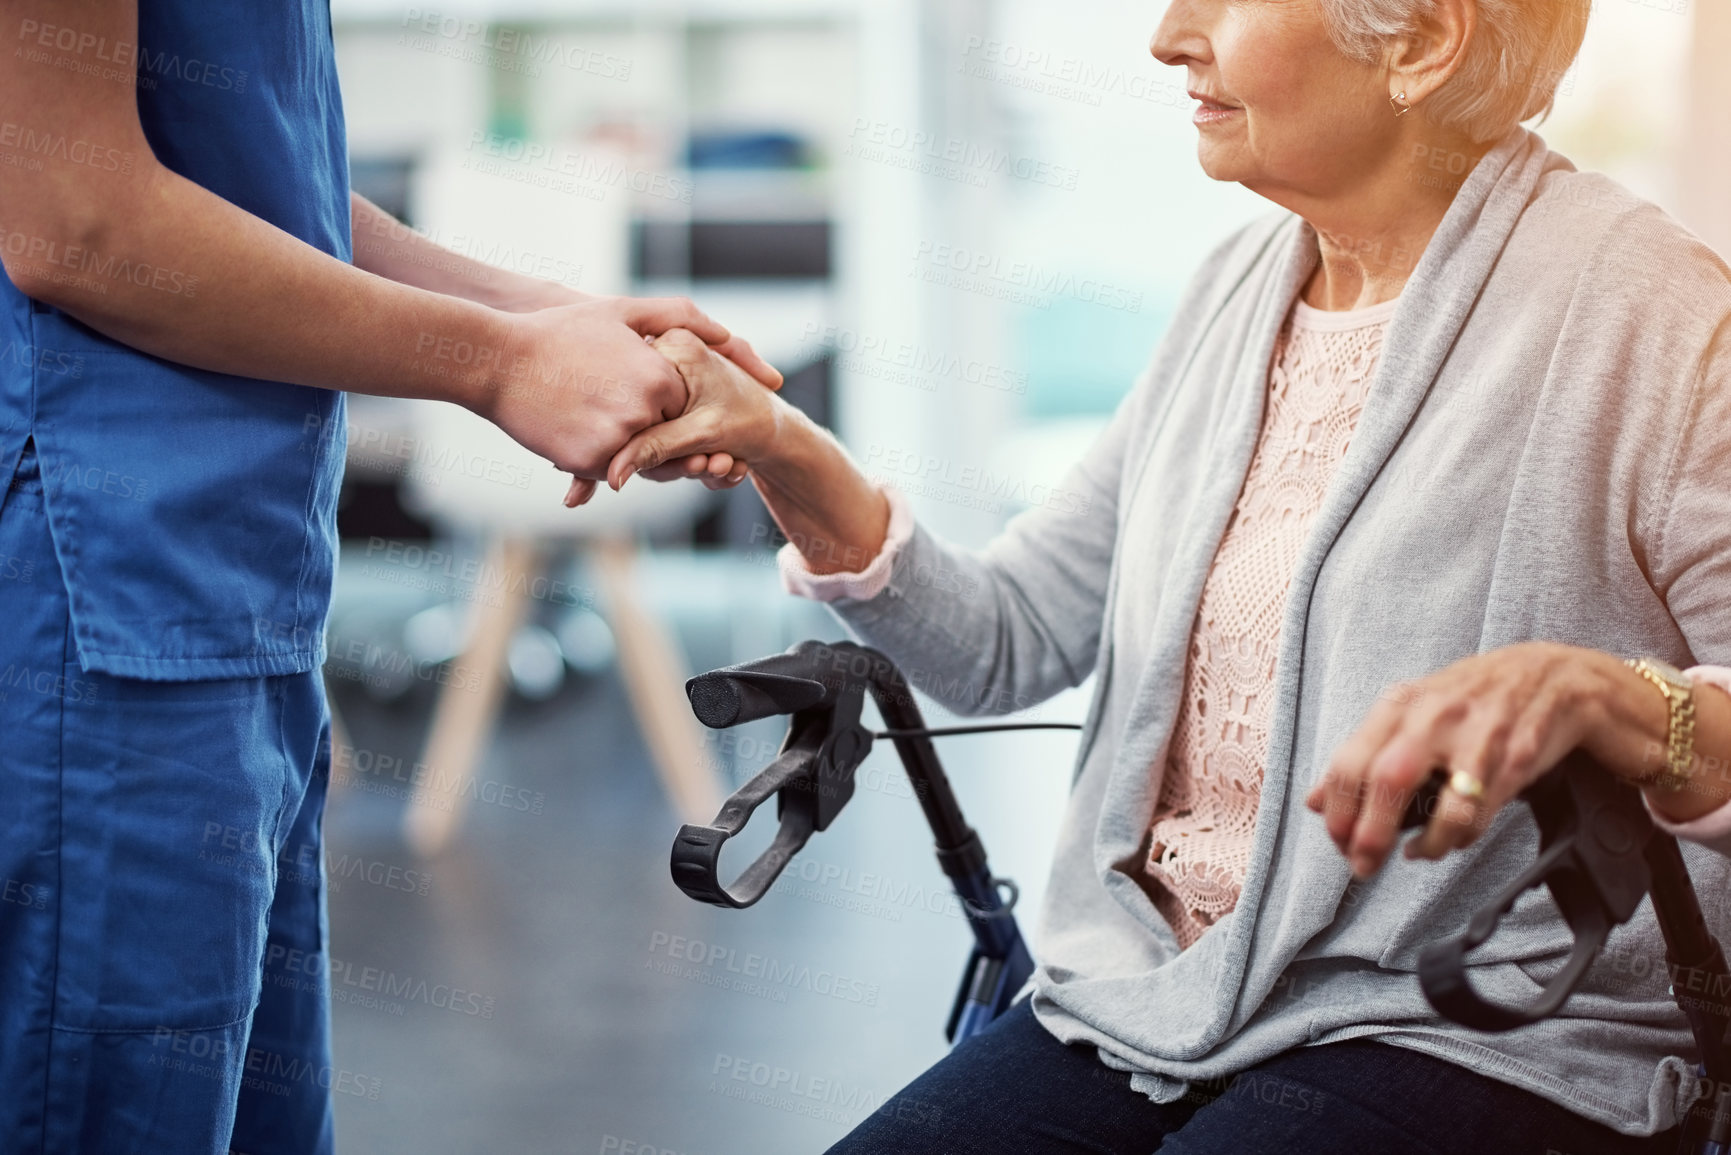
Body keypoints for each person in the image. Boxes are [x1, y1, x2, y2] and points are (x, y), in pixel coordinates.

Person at [619, 0, 1731, 1149]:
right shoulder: (1234, 293)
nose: (1167, 35)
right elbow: (1003, 640)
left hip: (1481, 1031)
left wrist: (1638, 707)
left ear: (1421, 40)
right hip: (1152, 993)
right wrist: (781, 442)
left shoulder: (1654, 313)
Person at [0, 1, 776, 1152]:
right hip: (106, 587)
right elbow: (78, 218)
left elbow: (259, 176)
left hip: (231, 585)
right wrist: (496, 361)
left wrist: (539, 312)